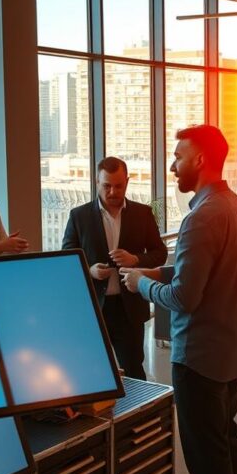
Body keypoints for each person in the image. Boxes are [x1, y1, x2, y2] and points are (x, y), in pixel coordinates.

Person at [121, 125, 237, 474]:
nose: (173, 165)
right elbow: (205, 272)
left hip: (199, 360)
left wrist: (141, 283)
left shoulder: (201, 216)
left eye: (178, 156)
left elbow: (184, 298)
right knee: (227, 449)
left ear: (200, 160)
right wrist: (155, 269)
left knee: (208, 469)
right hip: (232, 353)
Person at [61, 156, 167, 380]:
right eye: (106, 186)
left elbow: (160, 252)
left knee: (134, 371)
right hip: (93, 308)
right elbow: (67, 258)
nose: (112, 192)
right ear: (97, 183)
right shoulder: (79, 216)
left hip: (129, 307)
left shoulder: (142, 213)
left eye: (118, 186)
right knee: (91, 371)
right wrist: (89, 270)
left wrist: (135, 260)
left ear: (127, 182)